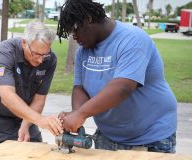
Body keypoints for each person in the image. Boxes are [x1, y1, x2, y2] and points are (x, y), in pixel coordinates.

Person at [57, 0, 177, 153]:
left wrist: (81, 114)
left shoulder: (132, 39)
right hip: (108, 137)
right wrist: (76, 114)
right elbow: (80, 87)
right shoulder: (83, 50)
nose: (74, 37)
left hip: (151, 138)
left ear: (88, 19)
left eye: (75, 30)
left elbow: (123, 87)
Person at [0, 21, 63, 154]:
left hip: (24, 117)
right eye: (36, 54)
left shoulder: (50, 60)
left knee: (38, 154)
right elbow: (7, 97)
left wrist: (25, 125)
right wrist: (40, 120)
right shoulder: (4, 52)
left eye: (45, 54)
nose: (40, 60)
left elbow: (39, 99)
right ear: (24, 43)